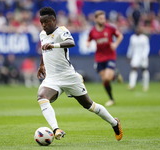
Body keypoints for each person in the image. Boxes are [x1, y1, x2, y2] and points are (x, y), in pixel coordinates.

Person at [36, 7, 123, 141]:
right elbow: (44, 48)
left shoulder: (62, 31)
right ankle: (55, 129)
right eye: (42, 22)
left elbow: (71, 43)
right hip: (52, 78)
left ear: (54, 20)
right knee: (42, 97)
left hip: (68, 77)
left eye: (46, 22)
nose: (43, 25)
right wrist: (42, 64)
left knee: (89, 105)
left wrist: (54, 45)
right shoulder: (42, 34)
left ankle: (114, 123)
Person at [87, 10, 123, 106]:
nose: (103, 20)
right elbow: (89, 39)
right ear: (96, 19)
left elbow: (120, 36)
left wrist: (115, 44)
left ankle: (113, 75)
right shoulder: (93, 31)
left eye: (104, 18)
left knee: (107, 77)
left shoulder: (110, 28)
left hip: (110, 56)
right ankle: (111, 98)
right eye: (101, 18)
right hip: (99, 58)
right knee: (105, 80)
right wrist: (88, 43)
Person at [127, 26, 150, 91]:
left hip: (143, 56)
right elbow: (131, 47)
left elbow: (147, 47)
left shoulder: (144, 38)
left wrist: (145, 56)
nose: (138, 30)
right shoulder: (132, 38)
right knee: (134, 68)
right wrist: (129, 55)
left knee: (144, 69)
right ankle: (132, 85)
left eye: (139, 29)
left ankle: (146, 85)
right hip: (135, 55)